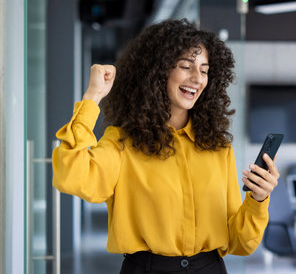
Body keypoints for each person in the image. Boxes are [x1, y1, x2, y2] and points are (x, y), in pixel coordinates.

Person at [52, 19, 280, 274]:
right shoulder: (122, 142)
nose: (197, 78)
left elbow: (239, 243)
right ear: (158, 71)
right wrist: (92, 97)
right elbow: (70, 177)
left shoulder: (218, 146)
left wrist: (258, 199)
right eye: (186, 66)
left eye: (204, 70)